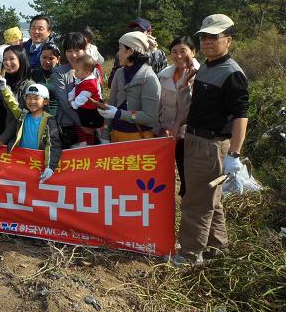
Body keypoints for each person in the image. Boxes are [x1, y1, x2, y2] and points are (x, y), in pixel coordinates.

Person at [175, 15, 248, 264]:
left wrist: (234, 154)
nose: (207, 42)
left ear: (228, 40)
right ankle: (217, 248)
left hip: (211, 145)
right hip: (195, 139)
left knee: (196, 201)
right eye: (204, 37)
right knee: (211, 200)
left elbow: (240, 116)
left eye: (213, 37)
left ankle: (189, 253)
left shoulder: (232, 74)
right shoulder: (207, 66)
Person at [99, 31, 161, 143]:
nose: (118, 54)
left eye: (120, 49)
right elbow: (112, 103)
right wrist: (105, 133)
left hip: (137, 138)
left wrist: (119, 114)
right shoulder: (119, 73)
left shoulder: (149, 78)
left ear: (130, 51)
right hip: (116, 135)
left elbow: (150, 117)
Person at [0, 82, 61, 183]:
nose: (32, 101)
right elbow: (13, 104)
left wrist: (50, 167)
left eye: (36, 98)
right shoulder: (22, 115)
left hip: (37, 164)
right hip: (20, 161)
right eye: (29, 98)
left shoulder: (49, 121)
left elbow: (53, 145)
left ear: (46, 101)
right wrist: (4, 89)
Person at [158, 36, 200, 197]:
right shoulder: (164, 75)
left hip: (187, 134)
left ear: (193, 52)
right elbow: (159, 104)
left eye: (183, 51)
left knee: (185, 174)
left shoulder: (201, 75)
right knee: (164, 173)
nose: (178, 56)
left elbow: (191, 107)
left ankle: (186, 204)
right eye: (174, 52)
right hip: (165, 132)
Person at [108, 17, 167, 86]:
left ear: (149, 33)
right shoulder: (122, 53)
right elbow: (111, 82)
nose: (135, 34)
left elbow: (163, 81)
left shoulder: (158, 54)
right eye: (133, 31)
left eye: (140, 31)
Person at [0, 45, 35, 136]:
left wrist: (3, 138)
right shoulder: (2, 82)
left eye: (11, 59)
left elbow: (20, 116)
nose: (7, 62)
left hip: (15, 138)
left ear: (21, 60)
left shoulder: (29, 87)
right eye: (5, 59)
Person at [53, 32, 88, 148]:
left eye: (77, 50)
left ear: (85, 50)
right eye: (69, 51)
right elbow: (64, 103)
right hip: (68, 126)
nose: (73, 55)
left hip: (91, 126)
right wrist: (82, 124)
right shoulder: (59, 72)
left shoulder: (93, 71)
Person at [68, 54, 104, 146]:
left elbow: (83, 97)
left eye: (77, 70)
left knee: (88, 127)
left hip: (90, 110)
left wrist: (74, 104)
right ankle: (83, 142)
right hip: (84, 108)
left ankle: (88, 144)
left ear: (87, 72)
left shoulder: (90, 83)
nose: (75, 72)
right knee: (80, 125)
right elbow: (76, 89)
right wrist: (70, 96)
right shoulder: (82, 79)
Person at [31, 42, 60, 117]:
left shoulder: (62, 76)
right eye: (44, 57)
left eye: (51, 58)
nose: (47, 61)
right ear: (40, 57)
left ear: (58, 59)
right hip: (35, 116)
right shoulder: (33, 74)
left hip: (56, 119)